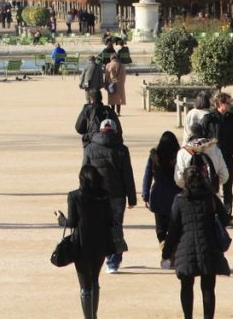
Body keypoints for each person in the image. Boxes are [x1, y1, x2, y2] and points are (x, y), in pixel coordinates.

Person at [162, 164, 231, 319]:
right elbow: (226, 218)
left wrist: (166, 252)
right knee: (208, 288)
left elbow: (173, 230)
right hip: (209, 248)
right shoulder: (211, 198)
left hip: (186, 249)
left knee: (186, 287)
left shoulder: (179, 200)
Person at [82, 118, 136, 274]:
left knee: (98, 225)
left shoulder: (90, 149)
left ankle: (100, 257)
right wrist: (131, 197)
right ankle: (113, 260)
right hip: (117, 194)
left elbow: (84, 173)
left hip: (96, 194)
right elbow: (127, 175)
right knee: (116, 227)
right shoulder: (122, 149)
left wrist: (84, 193)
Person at [64, 164, 115, 319]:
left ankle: (89, 317)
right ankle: (93, 315)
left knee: (85, 285)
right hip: (100, 243)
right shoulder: (105, 195)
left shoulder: (74, 196)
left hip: (82, 244)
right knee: (94, 280)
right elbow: (109, 220)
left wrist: (61, 220)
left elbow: (72, 222)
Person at [143, 131, 181, 268]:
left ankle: (164, 247)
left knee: (161, 228)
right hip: (175, 195)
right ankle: (172, 253)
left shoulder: (154, 156)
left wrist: (145, 194)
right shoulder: (178, 156)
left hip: (158, 195)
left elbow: (147, 176)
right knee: (175, 227)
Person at [211, 93, 233, 223]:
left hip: (228, 157)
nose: (230, 105)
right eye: (228, 103)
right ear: (220, 104)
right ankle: (214, 215)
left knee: (228, 187)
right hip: (213, 158)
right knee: (213, 187)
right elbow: (202, 135)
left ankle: (227, 216)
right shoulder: (210, 118)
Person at [174, 121, 228, 193]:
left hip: (191, 196)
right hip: (211, 196)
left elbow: (179, 178)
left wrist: (188, 187)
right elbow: (224, 175)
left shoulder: (183, 152)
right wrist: (211, 183)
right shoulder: (215, 150)